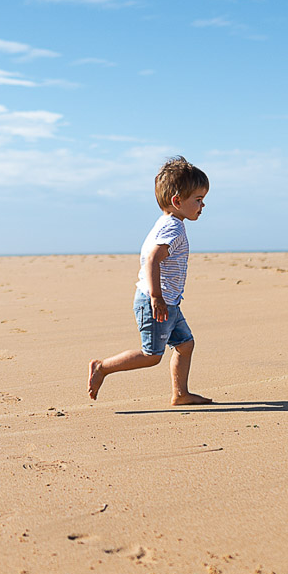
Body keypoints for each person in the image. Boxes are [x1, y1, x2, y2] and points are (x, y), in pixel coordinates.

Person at [87, 156, 214, 405]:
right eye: (198, 200)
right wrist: (156, 297)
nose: (202, 205)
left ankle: (180, 393)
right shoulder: (172, 228)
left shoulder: (169, 222)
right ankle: (102, 367)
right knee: (151, 355)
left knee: (185, 344)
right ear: (177, 201)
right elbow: (152, 260)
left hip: (169, 302)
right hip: (156, 302)